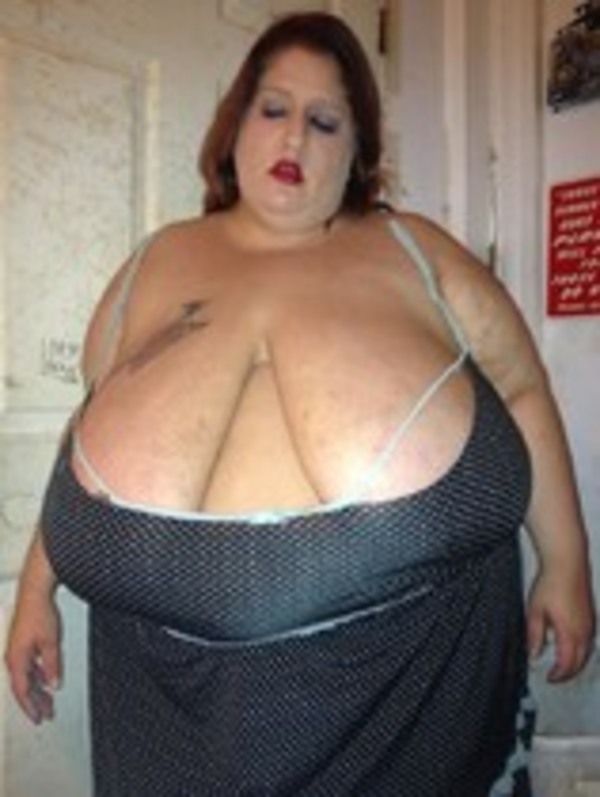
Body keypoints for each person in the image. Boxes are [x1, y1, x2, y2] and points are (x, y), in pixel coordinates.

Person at [4, 11, 595, 796]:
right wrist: (35, 589)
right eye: (274, 108)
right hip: (164, 730)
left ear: (357, 154)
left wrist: (566, 560)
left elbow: (521, 386)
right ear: (235, 124)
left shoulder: (417, 252)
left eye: (324, 122)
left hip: (409, 719)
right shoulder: (152, 262)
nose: (294, 139)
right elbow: (89, 423)